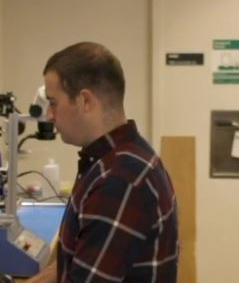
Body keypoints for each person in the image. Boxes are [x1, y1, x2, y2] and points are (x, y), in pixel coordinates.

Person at [27, 42, 179, 283]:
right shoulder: (112, 161)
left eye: (53, 102)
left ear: (85, 101)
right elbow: (70, 267)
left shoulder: (121, 179)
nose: (49, 115)